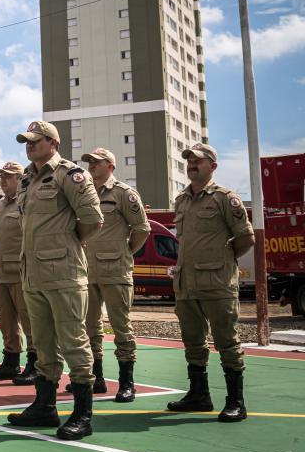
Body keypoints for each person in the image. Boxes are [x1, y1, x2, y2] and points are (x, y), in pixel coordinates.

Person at [6, 121, 102, 441]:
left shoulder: (70, 174)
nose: (29, 146)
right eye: (26, 141)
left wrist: (68, 244)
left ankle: (82, 414)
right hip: (32, 274)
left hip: (63, 272)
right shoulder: (27, 179)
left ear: (53, 143)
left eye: (35, 141)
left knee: (73, 342)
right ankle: (45, 406)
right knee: (43, 345)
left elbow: (91, 219)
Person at [166, 143, 254, 422]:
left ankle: (236, 401)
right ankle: (199, 395)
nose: (192, 165)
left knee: (226, 341)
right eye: (189, 161)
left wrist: (222, 261)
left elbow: (245, 238)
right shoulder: (181, 200)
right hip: (186, 284)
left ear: (212, 166)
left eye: (198, 161)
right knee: (192, 341)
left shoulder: (225, 199)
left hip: (216, 283)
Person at [78, 147, 150, 402]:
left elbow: (141, 228)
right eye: (89, 162)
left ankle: (126, 383)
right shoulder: (85, 194)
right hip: (88, 271)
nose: (91, 166)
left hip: (116, 270)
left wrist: (125, 251)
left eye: (96, 162)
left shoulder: (123, 193)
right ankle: (96, 378)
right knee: (89, 327)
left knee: (121, 327)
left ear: (110, 165)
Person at [0, 161, 36, 384]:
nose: (3, 180)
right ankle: (11, 361)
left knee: (29, 320)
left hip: (21, 271)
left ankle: (36, 364)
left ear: (20, 179)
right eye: (1, 176)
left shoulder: (26, 203)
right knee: (6, 320)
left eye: (8, 176)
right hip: (1, 273)